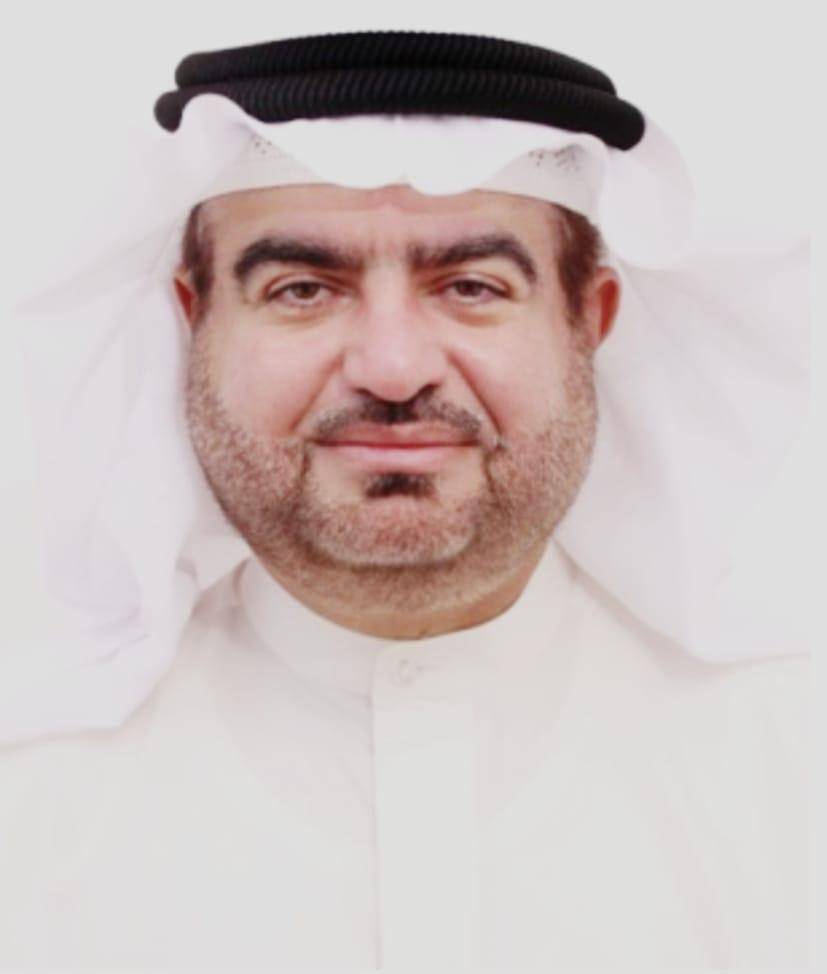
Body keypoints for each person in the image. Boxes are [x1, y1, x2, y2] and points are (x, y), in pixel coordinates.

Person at [0, 30, 809, 971]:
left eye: (470, 286)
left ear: (589, 323)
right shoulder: (34, 800)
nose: (391, 368)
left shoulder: (792, 768)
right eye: (302, 289)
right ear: (196, 322)